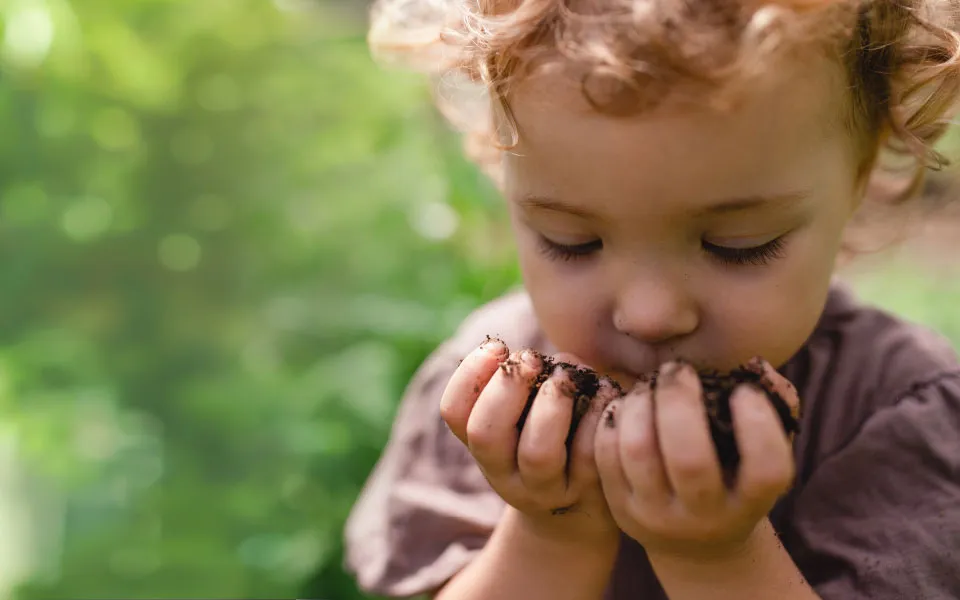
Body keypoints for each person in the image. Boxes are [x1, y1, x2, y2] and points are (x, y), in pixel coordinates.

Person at [343, 0, 960, 596]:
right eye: (572, 241)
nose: (649, 316)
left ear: (862, 172)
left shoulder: (900, 418)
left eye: (736, 246)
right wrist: (550, 534)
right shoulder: (497, 398)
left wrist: (717, 559)